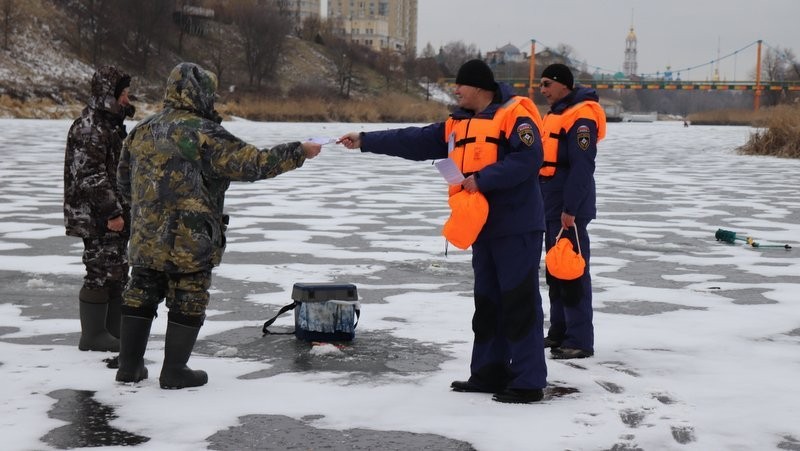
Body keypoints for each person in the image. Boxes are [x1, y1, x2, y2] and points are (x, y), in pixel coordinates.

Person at [339, 59, 547, 404]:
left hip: (517, 225)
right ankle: (487, 373)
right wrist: (364, 140)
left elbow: (529, 158)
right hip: (482, 226)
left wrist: (482, 179)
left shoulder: (515, 115)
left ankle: (527, 381)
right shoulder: (457, 124)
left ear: (479, 88)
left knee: (519, 303)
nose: (455, 90)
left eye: (460, 85)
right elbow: (413, 140)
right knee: (488, 302)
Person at [115, 62, 321, 389]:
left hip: (145, 238)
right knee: (189, 296)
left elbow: (123, 183)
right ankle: (174, 370)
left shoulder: (142, 130)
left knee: (140, 291)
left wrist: (147, 212)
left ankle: (129, 367)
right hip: (190, 240)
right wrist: (299, 152)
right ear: (203, 94)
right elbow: (253, 163)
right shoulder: (204, 132)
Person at [64, 65, 135, 355]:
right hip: (96, 216)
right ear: (110, 94)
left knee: (117, 269)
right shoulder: (90, 127)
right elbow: (90, 176)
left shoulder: (109, 126)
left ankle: (112, 333)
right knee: (100, 270)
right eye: (124, 94)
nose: (128, 100)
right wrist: (112, 213)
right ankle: (93, 336)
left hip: (112, 212)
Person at [538, 63, 606, 359]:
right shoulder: (557, 114)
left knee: (573, 273)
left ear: (562, 85)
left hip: (569, 207)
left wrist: (571, 208)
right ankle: (559, 332)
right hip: (550, 202)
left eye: (546, 85)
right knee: (556, 270)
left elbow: (582, 166)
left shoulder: (582, 117)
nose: (542, 91)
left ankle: (579, 339)